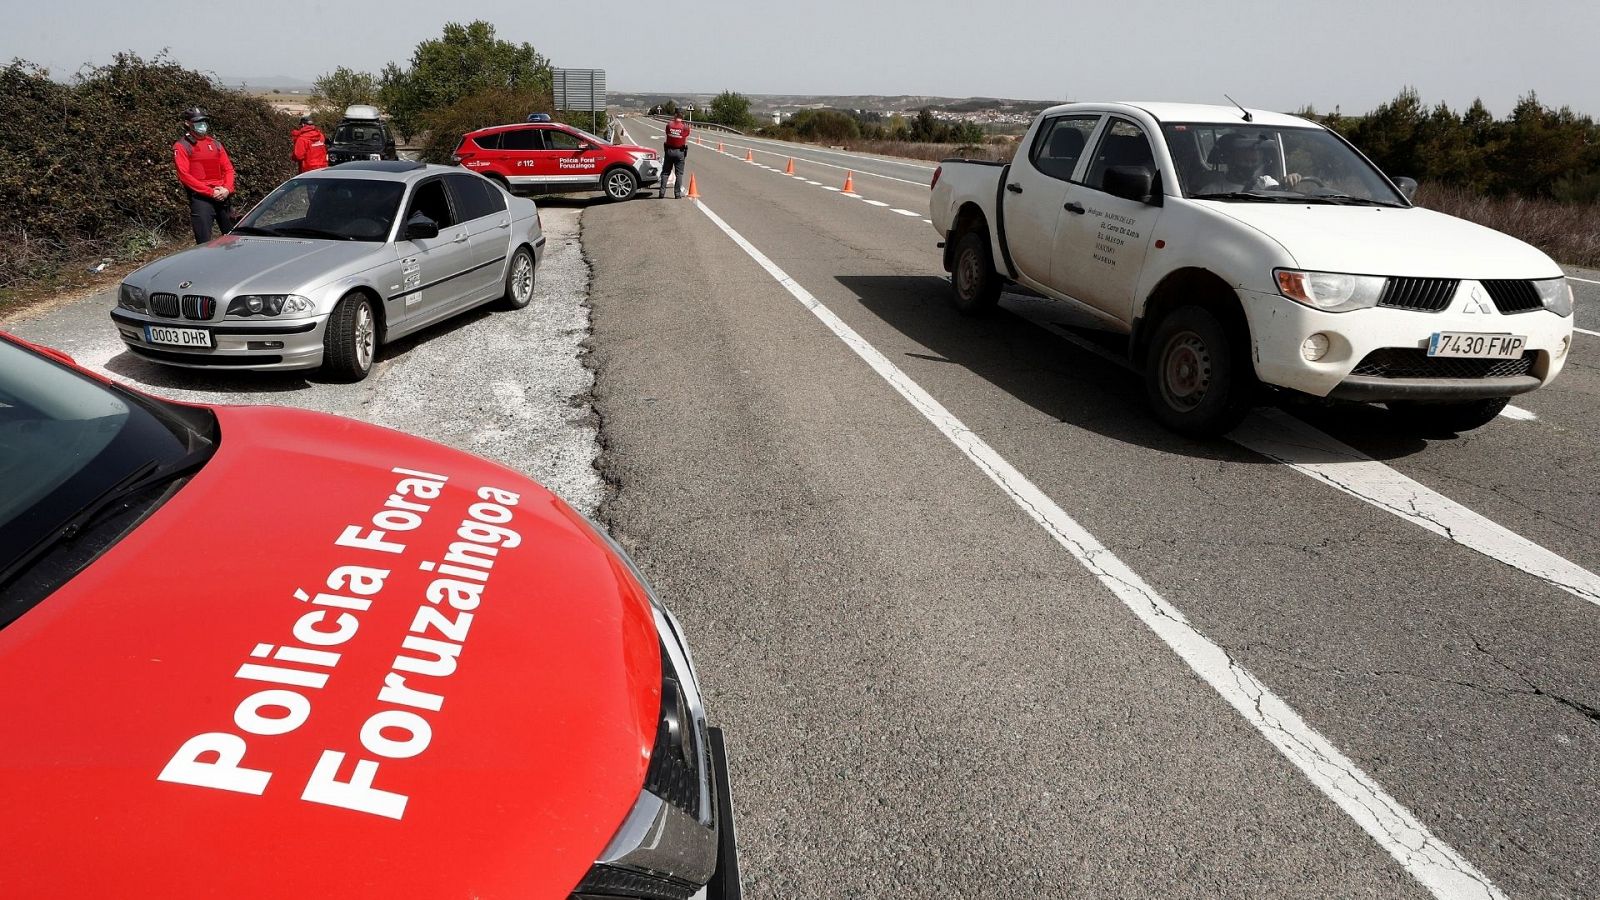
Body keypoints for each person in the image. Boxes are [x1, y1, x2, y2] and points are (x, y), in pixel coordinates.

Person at [173, 107, 237, 243]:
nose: (202, 125)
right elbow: (184, 175)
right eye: (197, 122)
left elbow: (228, 169)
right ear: (187, 123)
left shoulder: (215, 144)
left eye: (204, 121)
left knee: (235, 239)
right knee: (204, 242)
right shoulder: (182, 146)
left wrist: (227, 189)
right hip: (202, 199)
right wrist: (210, 192)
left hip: (223, 195)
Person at [1195, 132, 1303, 194]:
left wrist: (1289, 182)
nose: (1250, 165)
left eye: (1254, 161)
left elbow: (1277, 192)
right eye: (1245, 161)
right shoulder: (1212, 191)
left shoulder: (1264, 183)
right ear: (1231, 160)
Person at [660, 114, 691, 199]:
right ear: (682, 118)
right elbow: (687, 133)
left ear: (674, 117)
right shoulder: (684, 127)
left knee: (665, 173)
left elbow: (667, 132)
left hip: (669, 151)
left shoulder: (669, 125)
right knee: (679, 174)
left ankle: (662, 193)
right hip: (680, 152)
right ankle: (677, 194)